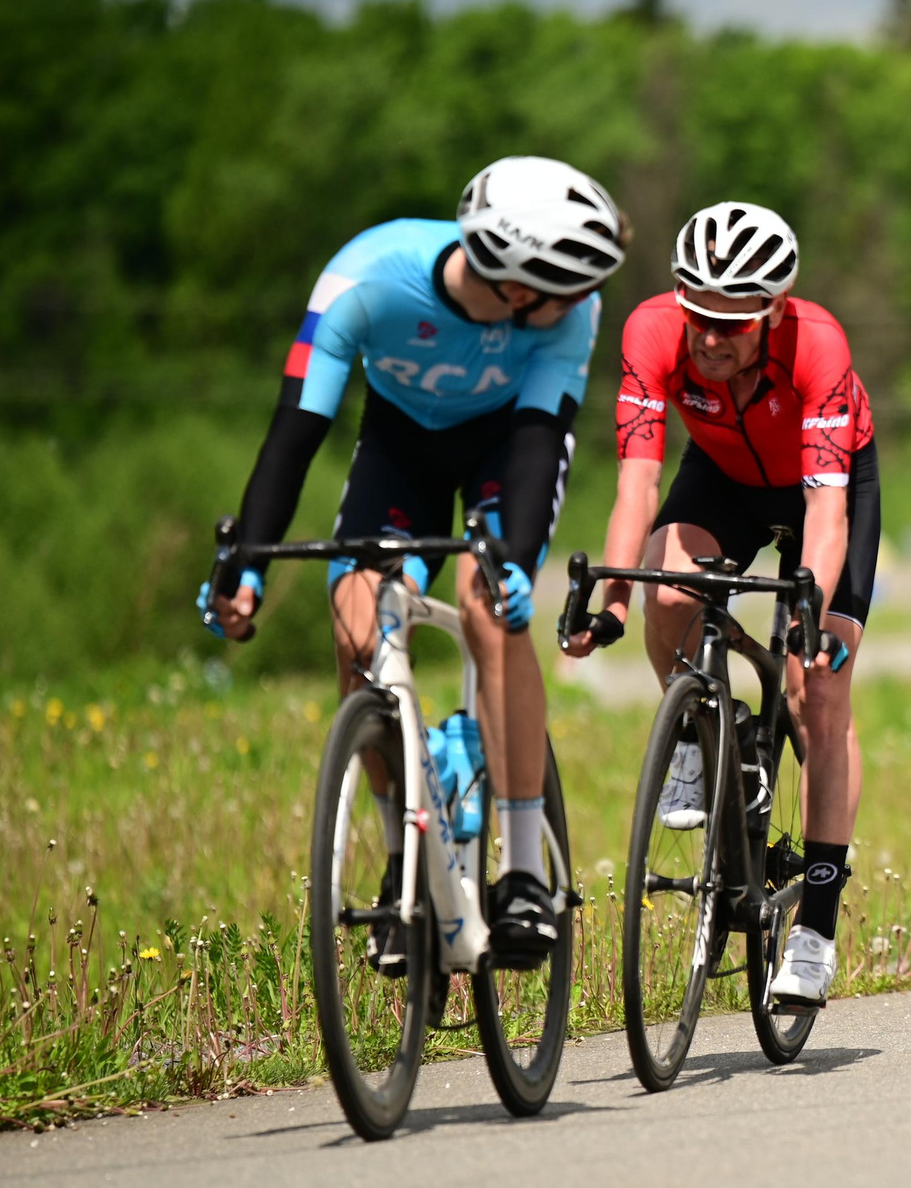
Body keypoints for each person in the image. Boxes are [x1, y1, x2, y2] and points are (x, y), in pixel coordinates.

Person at [201, 156, 623, 968]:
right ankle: (403, 861)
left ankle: (524, 873)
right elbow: (294, 433)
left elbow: (540, 443)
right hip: (400, 450)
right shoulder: (365, 278)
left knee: (490, 609)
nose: (584, 303)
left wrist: (515, 562)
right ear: (518, 286)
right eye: (569, 289)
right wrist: (247, 564)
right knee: (357, 632)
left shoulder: (572, 313)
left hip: (508, 449)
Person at [564, 201, 878, 1007]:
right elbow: (637, 484)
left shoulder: (818, 343)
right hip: (721, 478)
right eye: (697, 315)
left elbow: (827, 512)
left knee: (817, 688)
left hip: (825, 490)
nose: (708, 338)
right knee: (668, 591)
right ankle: (707, 734)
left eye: (731, 323)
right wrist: (614, 601)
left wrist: (809, 611)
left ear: (774, 309)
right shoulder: (650, 331)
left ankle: (815, 930)